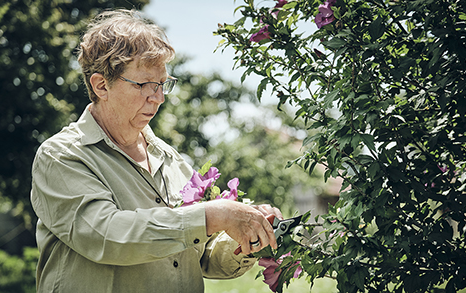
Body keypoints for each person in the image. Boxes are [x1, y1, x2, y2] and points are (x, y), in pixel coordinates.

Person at [30, 9, 283, 293]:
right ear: (101, 85)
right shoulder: (61, 157)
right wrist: (213, 215)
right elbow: (106, 235)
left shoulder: (170, 159)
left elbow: (204, 255)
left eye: (163, 84)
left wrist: (249, 236)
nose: (159, 97)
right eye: (144, 85)